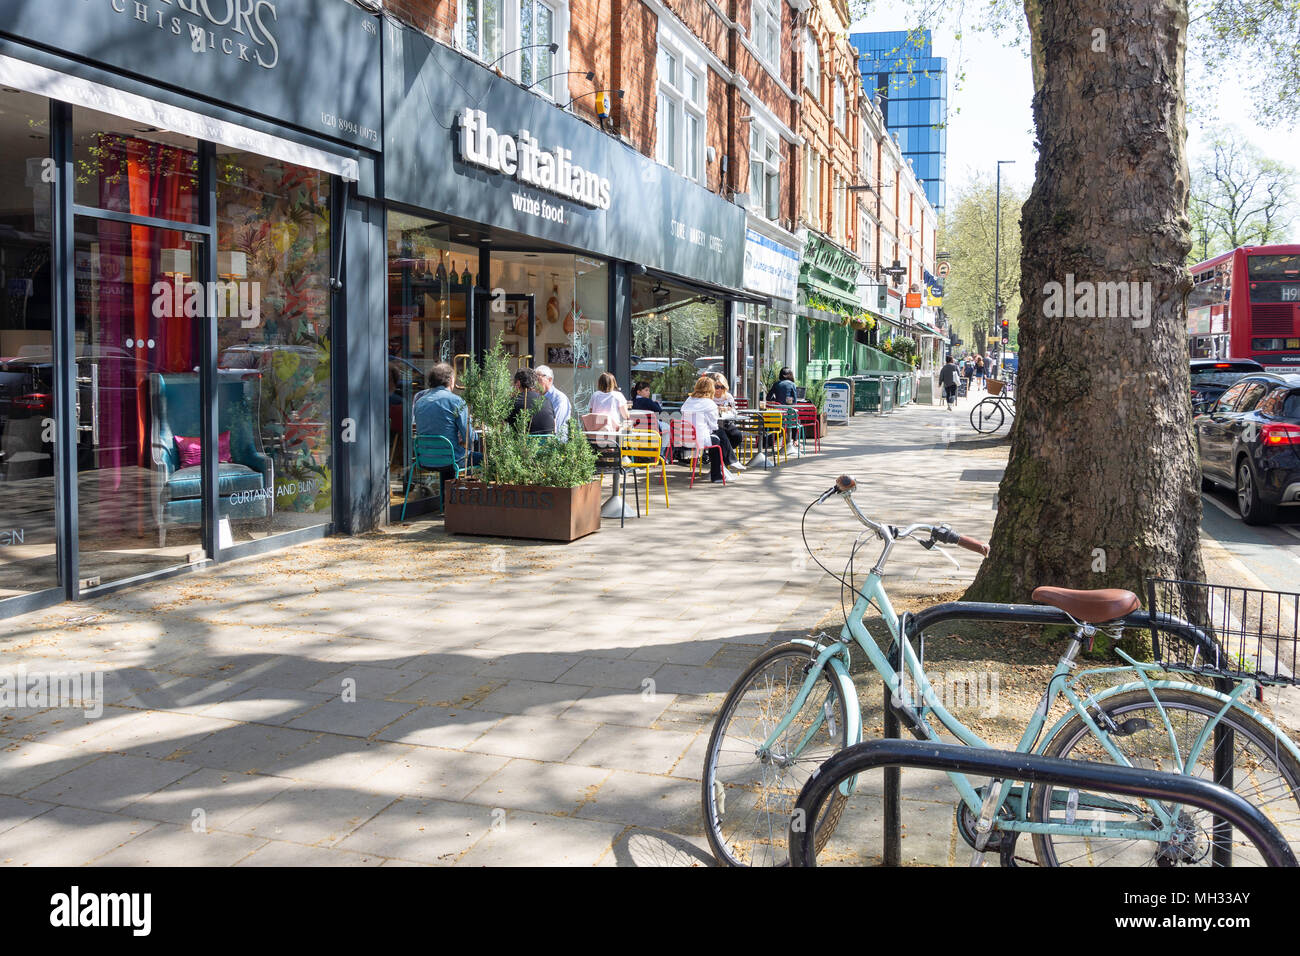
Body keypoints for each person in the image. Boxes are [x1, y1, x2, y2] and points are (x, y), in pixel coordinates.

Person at [412, 362, 479, 469]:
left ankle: (446, 486)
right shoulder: (456, 401)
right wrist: (476, 435)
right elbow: (469, 438)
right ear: (451, 380)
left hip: (425, 460)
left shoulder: (419, 402)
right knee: (485, 460)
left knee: (449, 455)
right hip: (452, 460)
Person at [681, 377, 740, 483]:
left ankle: (729, 461)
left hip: (685, 438)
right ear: (711, 389)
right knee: (718, 436)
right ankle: (719, 473)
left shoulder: (688, 401)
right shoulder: (710, 404)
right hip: (699, 439)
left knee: (718, 435)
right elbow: (714, 426)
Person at [709, 373, 745, 470]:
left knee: (737, 435)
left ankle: (723, 457)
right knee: (720, 435)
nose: (719, 390)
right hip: (713, 424)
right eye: (717, 387)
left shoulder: (728, 397)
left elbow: (734, 411)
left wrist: (729, 410)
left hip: (726, 422)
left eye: (722, 387)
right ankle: (727, 460)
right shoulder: (708, 397)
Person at [511, 367, 555, 435]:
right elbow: (555, 427)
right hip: (548, 444)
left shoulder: (513, 402)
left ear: (518, 383)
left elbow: (501, 428)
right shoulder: (547, 401)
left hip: (524, 444)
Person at [533, 365, 572, 439]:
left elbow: (556, 424)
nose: (535, 383)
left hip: (556, 444)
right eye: (534, 380)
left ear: (549, 380)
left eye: (538, 379)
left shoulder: (559, 398)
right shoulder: (537, 397)